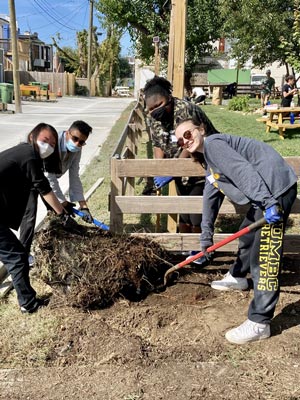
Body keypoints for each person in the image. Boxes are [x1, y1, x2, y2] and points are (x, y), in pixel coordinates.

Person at [174, 117, 297, 344]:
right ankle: (238, 276)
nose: (185, 141)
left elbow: (243, 171)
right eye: (180, 141)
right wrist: (205, 239)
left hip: (275, 189)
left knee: (265, 255)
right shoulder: (209, 162)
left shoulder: (214, 145)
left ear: (201, 129)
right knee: (248, 233)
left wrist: (268, 202)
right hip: (267, 193)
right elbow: (209, 201)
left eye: (188, 134)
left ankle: (260, 322)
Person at [0, 123, 74, 314]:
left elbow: (40, 191)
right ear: (32, 137)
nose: (48, 145)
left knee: (15, 255)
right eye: (44, 140)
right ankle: (28, 304)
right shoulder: (27, 154)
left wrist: (60, 208)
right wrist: (63, 215)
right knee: (17, 258)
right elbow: (44, 188)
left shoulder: (24, 155)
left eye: (51, 143)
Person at [143, 76, 219, 245]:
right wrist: (160, 170)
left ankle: (200, 249)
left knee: (195, 213)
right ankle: (185, 248)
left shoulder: (185, 110)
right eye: (151, 108)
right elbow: (158, 144)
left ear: (168, 98)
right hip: (177, 171)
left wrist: (174, 170)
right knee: (183, 212)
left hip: (200, 164)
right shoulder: (152, 119)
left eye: (159, 105)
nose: (155, 111)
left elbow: (189, 142)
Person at [20, 120, 93, 263]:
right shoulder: (52, 145)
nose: (77, 144)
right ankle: (23, 255)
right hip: (31, 178)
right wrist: (63, 203)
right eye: (75, 139)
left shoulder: (77, 149)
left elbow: (74, 175)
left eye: (81, 142)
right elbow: (50, 178)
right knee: (29, 215)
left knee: (56, 214)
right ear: (67, 133)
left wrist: (84, 206)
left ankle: (56, 249)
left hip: (44, 181)